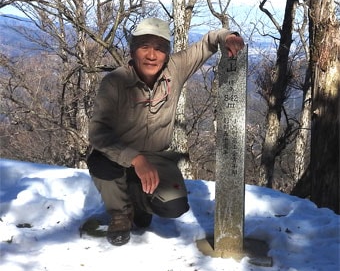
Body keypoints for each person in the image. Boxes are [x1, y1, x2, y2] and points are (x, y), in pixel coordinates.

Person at [87, 17, 245, 246]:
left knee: (174, 206)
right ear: (133, 51)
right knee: (100, 162)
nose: (152, 55)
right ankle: (120, 213)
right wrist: (135, 159)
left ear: (167, 53)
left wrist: (227, 36)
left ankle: (138, 201)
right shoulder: (115, 82)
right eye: (144, 47)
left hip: (158, 156)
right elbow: (98, 132)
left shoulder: (176, 68)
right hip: (120, 154)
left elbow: (207, 44)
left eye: (159, 49)